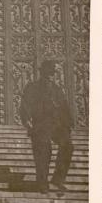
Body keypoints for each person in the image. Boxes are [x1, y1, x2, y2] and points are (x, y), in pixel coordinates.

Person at [19, 60, 74, 194]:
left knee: (67, 146)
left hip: (57, 125)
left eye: (52, 73)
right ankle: (42, 183)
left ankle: (58, 179)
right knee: (43, 152)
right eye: (48, 73)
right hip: (40, 125)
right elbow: (24, 106)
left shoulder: (57, 90)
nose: (50, 76)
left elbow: (64, 108)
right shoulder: (32, 87)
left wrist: (69, 125)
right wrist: (27, 122)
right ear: (42, 73)